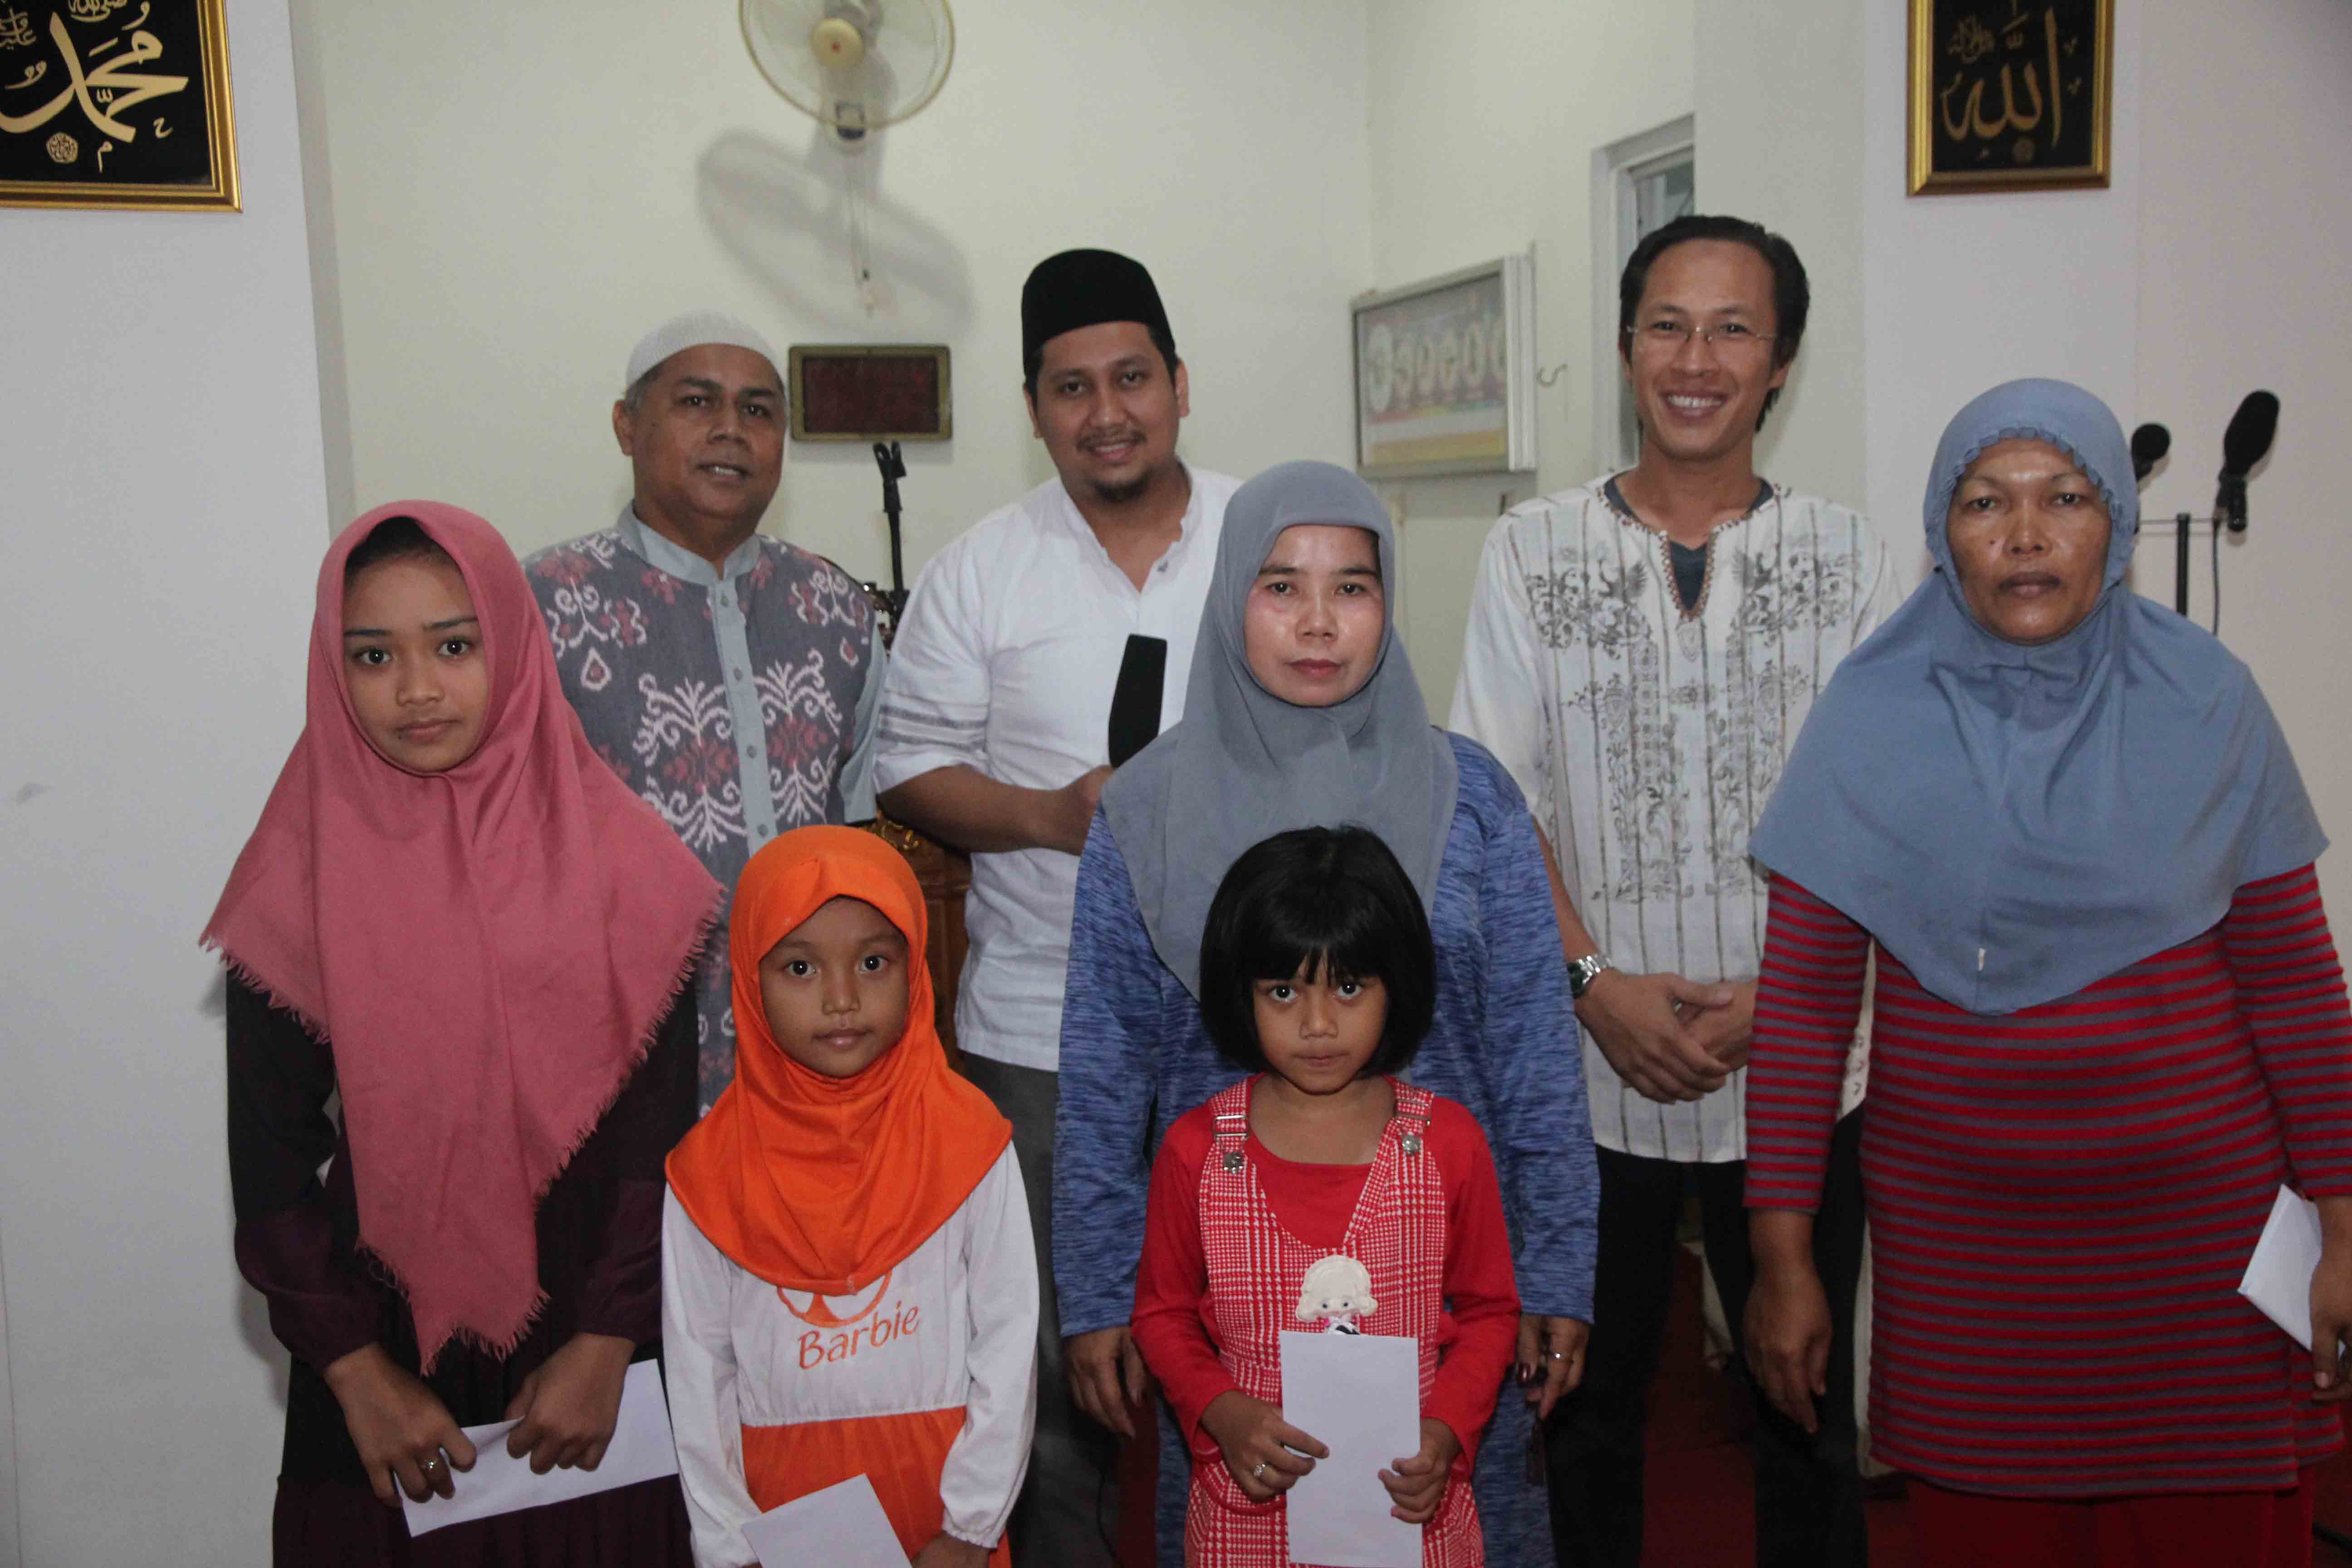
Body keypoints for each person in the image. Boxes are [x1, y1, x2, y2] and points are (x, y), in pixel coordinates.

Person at [1742, 378, 2352, 1568]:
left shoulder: (2209, 703)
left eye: (2065, 498)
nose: (2025, 534)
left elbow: (2294, 991)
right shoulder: (1868, 718)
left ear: (2116, 522)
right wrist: (1782, 1261)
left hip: (2201, 1257)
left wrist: (2345, 1225)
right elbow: (1807, 1014)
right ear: (1944, 532)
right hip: (1969, 1269)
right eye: (1986, 502)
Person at [1450, 212, 1901, 1568]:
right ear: (1626, 346)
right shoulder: (1530, 551)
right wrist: (1593, 987)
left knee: (1806, 1411)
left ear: (1783, 362)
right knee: (1585, 1413)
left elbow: (1887, 815)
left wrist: (1793, 996)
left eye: (1733, 329)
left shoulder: (1854, 560)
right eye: (1667, 326)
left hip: (1805, 1060)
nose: (1695, 361)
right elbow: (1495, 800)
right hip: (1593, 1066)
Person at [1057, 458, 1598, 1567]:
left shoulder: (1473, 799)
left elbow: (1534, 1053)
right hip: (1230, 1311)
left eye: (1352, 587)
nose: (1318, 622)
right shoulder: (1146, 809)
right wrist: (1098, 1293)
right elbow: (1106, 1072)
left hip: (1449, 1293)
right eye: (1280, 587)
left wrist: (1556, 1267)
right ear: (1229, 600)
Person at [210, 504, 719, 1563]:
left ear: (515, 646)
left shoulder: (626, 865)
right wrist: (355, 1371)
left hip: (589, 1347)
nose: (416, 688)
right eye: (373, 655)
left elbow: (657, 1142)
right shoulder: (297, 873)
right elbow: (270, 1162)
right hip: (377, 1344)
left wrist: (608, 1339)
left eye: (453, 645)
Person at [874, 248, 1240, 1563]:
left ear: (1181, 384)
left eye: (1132, 377)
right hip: (1039, 1034)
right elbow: (905, 766)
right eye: (1071, 387)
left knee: (1255, 1347)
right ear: (1035, 409)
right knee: (1049, 1367)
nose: (1107, 412)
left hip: (1257, 1029)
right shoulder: (983, 569)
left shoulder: (1269, 540)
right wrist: (1051, 816)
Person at [1132, 825, 1521, 1565]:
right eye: (1283, 992)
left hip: (1408, 1510)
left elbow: (1491, 1312)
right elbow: (1162, 1315)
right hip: (1247, 1514)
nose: (1317, 1025)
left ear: (1396, 985)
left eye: (1349, 987)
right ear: (1241, 993)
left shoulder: (1448, 1143)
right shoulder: (1197, 1151)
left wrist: (1445, 1432)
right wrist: (1222, 1412)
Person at [526, 310, 885, 1112]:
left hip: (809, 1061)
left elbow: (854, 826)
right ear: (627, 425)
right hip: (616, 1064)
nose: (731, 430)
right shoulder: (540, 606)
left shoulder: (835, 609)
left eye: (758, 410)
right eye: (697, 402)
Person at [662, 826, 1037, 1568]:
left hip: (944, 1494)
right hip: (777, 1512)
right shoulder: (709, 1172)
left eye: (873, 963)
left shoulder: (970, 1141)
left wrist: (971, 1526)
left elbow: (1009, 1342)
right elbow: (700, 1376)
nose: (841, 999)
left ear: (916, 969)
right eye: (800, 967)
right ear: (749, 982)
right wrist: (731, 1546)